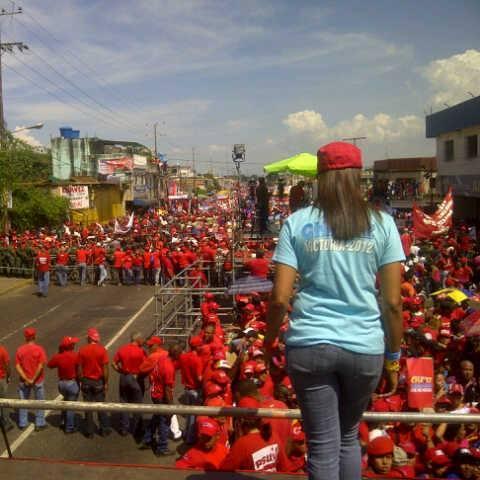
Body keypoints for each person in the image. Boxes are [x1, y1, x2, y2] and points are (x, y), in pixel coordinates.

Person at [264, 141, 405, 480]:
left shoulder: (296, 223)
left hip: (309, 345)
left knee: (322, 443)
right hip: (365, 347)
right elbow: (393, 303)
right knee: (347, 437)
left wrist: (269, 342)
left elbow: (280, 299)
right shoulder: (383, 223)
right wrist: (394, 357)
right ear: (358, 177)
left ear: (320, 177)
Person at [77, 328, 111, 438]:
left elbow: (79, 369)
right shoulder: (102, 350)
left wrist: (80, 381)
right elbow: (105, 369)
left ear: (89, 338)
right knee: (101, 407)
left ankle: (89, 431)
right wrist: (106, 382)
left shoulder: (82, 350)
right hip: (98, 382)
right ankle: (104, 429)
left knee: (88, 408)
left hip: (86, 381)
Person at [113, 332, 146, 437]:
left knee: (124, 402)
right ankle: (137, 428)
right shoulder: (141, 351)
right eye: (142, 339)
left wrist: (121, 371)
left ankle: (124, 428)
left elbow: (113, 363)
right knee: (137, 404)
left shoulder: (122, 349)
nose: (143, 341)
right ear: (138, 340)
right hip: (136, 378)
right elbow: (146, 366)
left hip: (124, 377)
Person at [15, 327, 48, 431]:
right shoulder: (39, 349)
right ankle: (39, 423)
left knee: (23, 401)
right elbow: (41, 365)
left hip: (24, 381)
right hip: (37, 380)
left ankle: (22, 422)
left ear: (25, 337)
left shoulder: (20, 350)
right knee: (39, 402)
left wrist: (26, 378)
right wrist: (33, 379)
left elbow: (17, 366)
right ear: (34, 336)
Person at [47, 336, 80, 433]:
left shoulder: (59, 356)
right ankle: (69, 428)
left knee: (65, 402)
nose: (74, 345)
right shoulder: (75, 355)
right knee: (70, 406)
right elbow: (79, 372)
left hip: (61, 384)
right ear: (70, 346)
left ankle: (62, 422)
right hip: (72, 383)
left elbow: (50, 365)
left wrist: (59, 354)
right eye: (73, 344)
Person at [0, 342, 13, 431]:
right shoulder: (2, 350)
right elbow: (7, 366)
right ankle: (6, 423)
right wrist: (8, 376)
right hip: (1, 379)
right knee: (3, 402)